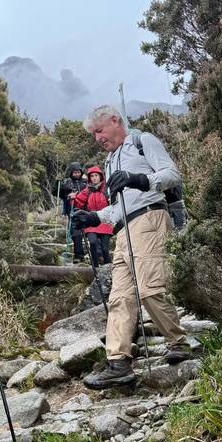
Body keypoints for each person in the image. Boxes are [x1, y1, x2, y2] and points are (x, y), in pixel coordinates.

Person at [74, 106, 191, 390]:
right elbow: (116, 208)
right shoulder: (110, 161)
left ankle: (179, 342)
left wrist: (141, 180)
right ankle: (118, 363)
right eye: (93, 135)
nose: (97, 138)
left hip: (150, 218)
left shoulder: (142, 142)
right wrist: (94, 217)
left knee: (149, 287)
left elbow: (172, 174)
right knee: (120, 297)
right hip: (124, 229)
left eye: (99, 130)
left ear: (115, 121)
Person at [73, 166, 112, 267]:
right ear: (90, 178)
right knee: (93, 243)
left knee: (105, 249)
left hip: (105, 222)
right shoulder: (87, 191)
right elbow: (78, 202)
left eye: (96, 175)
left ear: (100, 177)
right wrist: (73, 197)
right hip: (91, 222)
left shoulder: (106, 190)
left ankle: (109, 269)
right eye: (92, 176)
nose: (94, 178)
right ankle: (95, 267)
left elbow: (114, 202)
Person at [60, 162, 87, 263]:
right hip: (72, 210)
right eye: (74, 172)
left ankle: (98, 255)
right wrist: (57, 183)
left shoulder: (86, 183)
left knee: (91, 232)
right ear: (71, 173)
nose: (76, 174)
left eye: (78, 172)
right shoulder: (67, 183)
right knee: (76, 234)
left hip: (86, 210)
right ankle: (78, 256)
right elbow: (57, 192)